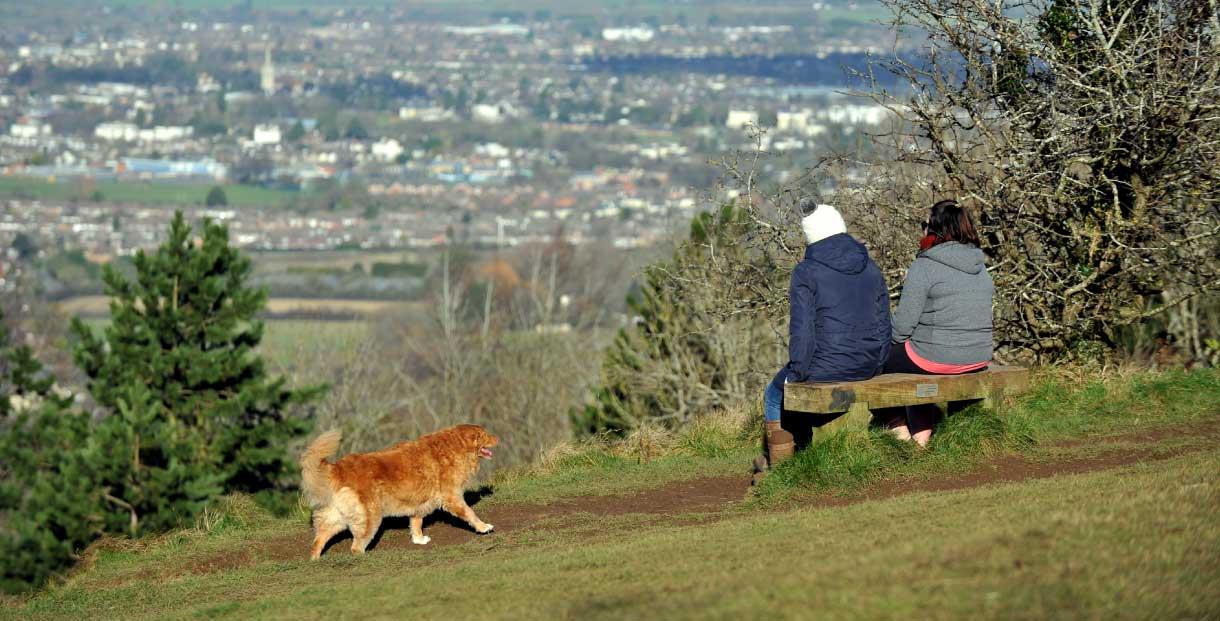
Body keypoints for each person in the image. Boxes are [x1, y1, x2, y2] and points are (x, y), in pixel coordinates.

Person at [756, 201, 892, 473]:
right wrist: (877, 363)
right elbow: (885, 322)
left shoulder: (806, 272)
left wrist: (796, 374)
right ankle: (801, 452)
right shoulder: (871, 267)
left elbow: (803, 331)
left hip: (826, 366)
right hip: (870, 364)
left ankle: (781, 470)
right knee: (793, 386)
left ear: (811, 235)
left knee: (773, 393)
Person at [881, 199, 994, 446]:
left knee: (877, 360)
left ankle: (902, 433)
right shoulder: (979, 264)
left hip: (936, 356)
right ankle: (924, 436)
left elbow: (901, 329)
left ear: (935, 229)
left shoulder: (925, 265)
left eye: (925, 225)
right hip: (978, 356)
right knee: (915, 366)